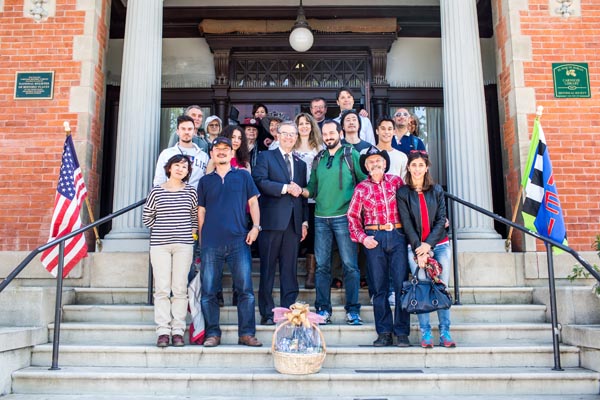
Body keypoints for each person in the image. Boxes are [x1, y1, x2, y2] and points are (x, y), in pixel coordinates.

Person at [197, 136, 262, 348]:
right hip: (211, 243)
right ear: (212, 154)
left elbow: (253, 203)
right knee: (208, 291)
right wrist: (202, 239)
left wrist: (255, 227)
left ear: (232, 153)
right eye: (218, 149)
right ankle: (212, 334)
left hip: (239, 241)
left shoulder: (243, 177)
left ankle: (246, 334)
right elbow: (201, 212)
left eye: (226, 149)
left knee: (245, 291)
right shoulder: (205, 181)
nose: (222, 152)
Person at [301, 120, 367, 325]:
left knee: (350, 265)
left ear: (340, 133)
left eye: (332, 133)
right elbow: (312, 186)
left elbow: (363, 182)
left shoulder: (350, 154)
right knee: (322, 267)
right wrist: (299, 190)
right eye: (325, 134)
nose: (329, 137)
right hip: (320, 218)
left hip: (344, 217)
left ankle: (353, 310)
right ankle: (323, 310)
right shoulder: (319, 158)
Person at [347, 146, 411, 347]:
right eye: (371, 162)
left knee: (401, 285)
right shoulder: (361, 189)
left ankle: (401, 332)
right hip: (374, 237)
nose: (375, 164)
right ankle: (383, 332)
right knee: (378, 287)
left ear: (385, 164)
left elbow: (411, 206)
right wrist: (363, 238)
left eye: (379, 161)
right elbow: (353, 217)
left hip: (398, 235)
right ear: (366, 167)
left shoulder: (397, 182)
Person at [396, 150, 456, 348]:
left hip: (439, 246)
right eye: (414, 165)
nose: (417, 169)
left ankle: (445, 332)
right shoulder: (403, 193)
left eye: (421, 165)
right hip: (415, 247)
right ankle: (426, 334)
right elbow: (407, 224)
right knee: (421, 288)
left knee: (441, 288)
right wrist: (419, 251)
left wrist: (428, 246)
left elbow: (441, 220)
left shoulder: (437, 190)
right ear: (408, 167)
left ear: (426, 167)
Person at [252, 121, 308, 325]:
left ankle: (288, 312)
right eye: (285, 134)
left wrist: (304, 222)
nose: (289, 138)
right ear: (277, 135)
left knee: (290, 270)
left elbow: (301, 195)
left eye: (293, 135)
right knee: (267, 269)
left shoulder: (301, 163)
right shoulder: (266, 157)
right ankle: (267, 313)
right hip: (271, 222)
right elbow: (259, 181)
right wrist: (285, 188)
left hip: (293, 225)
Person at [143, 154, 198, 348]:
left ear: (187, 172)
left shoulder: (191, 191)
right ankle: (163, 331)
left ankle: (178, 331)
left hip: (183, 245)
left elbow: (194, 217)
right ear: (169, 168)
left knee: (180, 289)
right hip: (160, 246)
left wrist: (190, 233)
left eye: (184, 167)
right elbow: (147, 217)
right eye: (177, 165)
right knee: (162, 289)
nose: (180, 169)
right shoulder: (157, 192)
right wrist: (163, 227)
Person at [293, 112, 323, 288]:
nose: (303, 126)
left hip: (313, 197)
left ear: (312, 126)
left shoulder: (319, 148)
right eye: (300, 123)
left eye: (307, 123)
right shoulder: (291, 146)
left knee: (312, 236)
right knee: (295, 234)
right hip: (294, 196)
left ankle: (311, 273)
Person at [153, 115, 209, 191]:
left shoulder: (203, 156)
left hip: (196, 200)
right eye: (183, 129)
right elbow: (159, 181)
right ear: (177, 131)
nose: (186, 132)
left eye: (189, 129)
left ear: (194, 132)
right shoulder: (166, 154)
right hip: (171, 199)